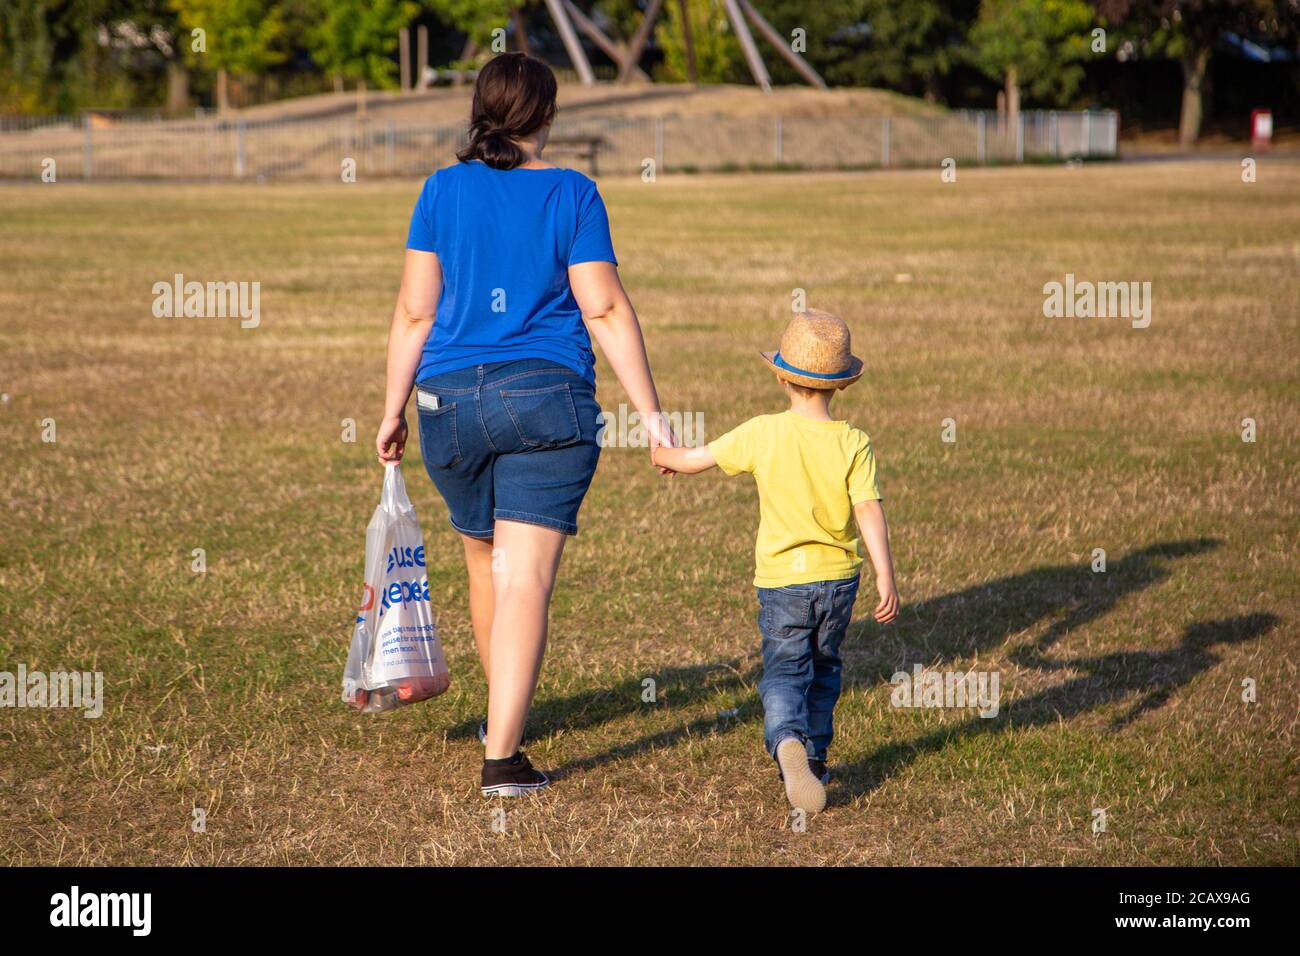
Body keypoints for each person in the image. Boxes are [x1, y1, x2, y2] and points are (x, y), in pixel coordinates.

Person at [376, 53, 672, 797]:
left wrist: (390, 410)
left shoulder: (440, 190)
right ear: (546, 115)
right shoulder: (573, 192)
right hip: (546, 399)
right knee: (525, 577)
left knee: (487, 565)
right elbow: (603, 308)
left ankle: (497, 721)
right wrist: (656, 419)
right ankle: (503, 758)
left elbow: (415, 311)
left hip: (446, 405)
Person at [651, 309, 899, 813]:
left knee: (785, 672)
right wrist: (886, 575)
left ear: (783, 375)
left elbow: (693, 460)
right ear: (841, 385)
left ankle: (787, 743)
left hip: (783, 583)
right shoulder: (854, 442)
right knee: (825, 668)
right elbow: (868, 510)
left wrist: (664, 454)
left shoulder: (763, 432)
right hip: (839, 582)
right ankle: (816, 758)